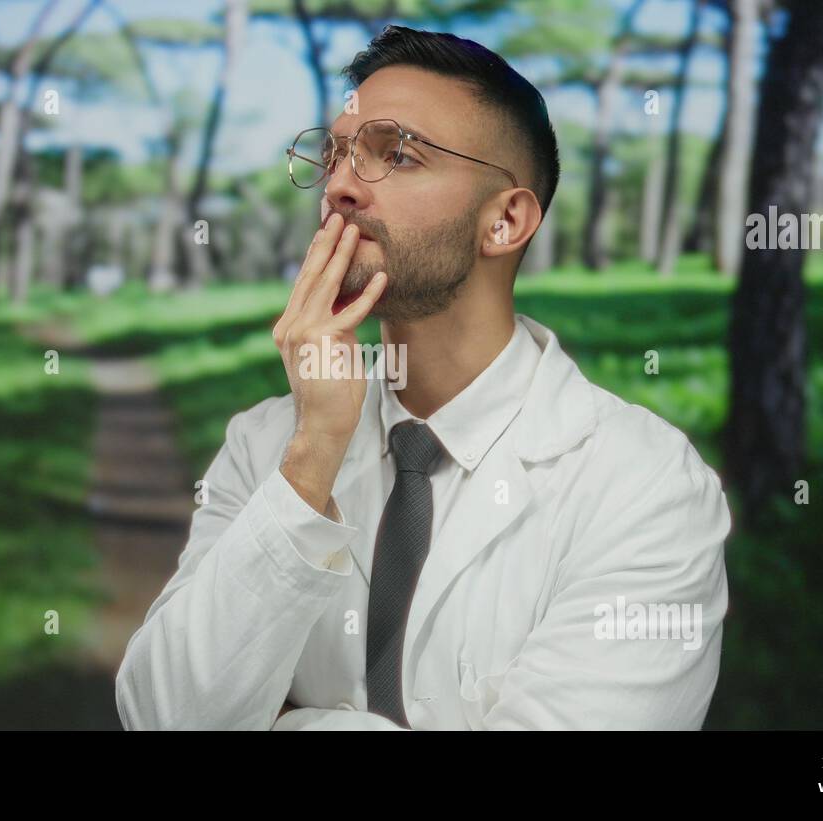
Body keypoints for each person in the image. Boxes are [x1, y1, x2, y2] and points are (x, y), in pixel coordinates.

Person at [116, 25, 731, 730]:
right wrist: (315, 451)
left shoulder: (644, 485)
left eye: (396, 155)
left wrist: (287, 719)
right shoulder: (269, 445)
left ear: (505, 220)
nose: (340, 187)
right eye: (335, 156)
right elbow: (161, 716)